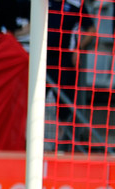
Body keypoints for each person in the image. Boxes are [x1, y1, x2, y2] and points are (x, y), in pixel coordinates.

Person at [47, 0, 96, 149]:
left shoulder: (75, 4)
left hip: (64, 60)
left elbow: (91, 30)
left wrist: (78, 48)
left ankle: (61, 146)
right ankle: (25, 143)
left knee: (65, 104)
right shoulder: (39, 4)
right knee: (31, 101)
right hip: (40, 58)